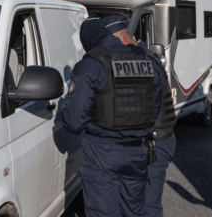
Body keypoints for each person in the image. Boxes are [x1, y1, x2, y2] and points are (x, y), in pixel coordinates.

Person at [62, 15, 164, 217]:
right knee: (134, 212)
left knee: (103, 212)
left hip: (102, 150)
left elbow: (74, 122)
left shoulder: (91, 64)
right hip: (137, 150)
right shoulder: (146, 60)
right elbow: (155, 108)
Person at [141, 44, 176, 217]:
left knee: (149, 203)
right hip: (153, 140)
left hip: (155, 141)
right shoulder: (147, 59)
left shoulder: (146, 61)